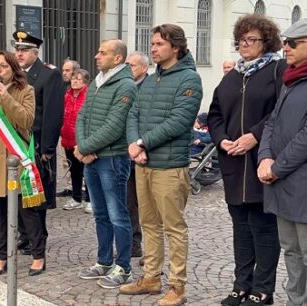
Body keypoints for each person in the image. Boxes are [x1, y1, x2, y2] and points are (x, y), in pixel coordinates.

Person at [120, 24, 203, 306]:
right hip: (144, 164)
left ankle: (177, 287)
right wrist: (135, 146)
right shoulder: (153, 78)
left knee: (173, 228)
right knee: (149, 224)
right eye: (152, 44)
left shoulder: (189, 79)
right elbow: (133, 113)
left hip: (170, 166)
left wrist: (142, 143)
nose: (153, 48)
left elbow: (179, 121)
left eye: (158, 44)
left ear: (175, 48)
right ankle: (151, 277)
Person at [207, 14, 285, 306]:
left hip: (261, 162)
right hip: (233, 165)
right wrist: (220, 139)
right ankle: (241, 285)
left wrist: (254, 135)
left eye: (251, 39)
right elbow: (214, 114)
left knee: (263, 229)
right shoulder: (232, 76)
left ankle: (263, 290)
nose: (244, 44)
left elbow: (280, 112)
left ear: (266, 42)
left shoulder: (277, 70)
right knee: (240, 228)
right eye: (241, 39)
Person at [0, 50, 46, 277]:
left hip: (18, 160)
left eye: (3, 66)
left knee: (27, 212)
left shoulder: (26, 90)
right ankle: (1, 256)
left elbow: (26, 120)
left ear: (13, 68)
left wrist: (6, 96)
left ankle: (38, 256)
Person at [75, 39, 135, 289]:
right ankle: (104, 261)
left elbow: (115, 126)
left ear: (118, 59)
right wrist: (81, 148)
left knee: (117, 215)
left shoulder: (126, 86)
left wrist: (85, 148)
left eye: (102, 52)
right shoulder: (98, 82)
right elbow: (82, 115)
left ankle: (124, 266)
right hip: (92, 159)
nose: (96, 56)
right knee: (100, 214)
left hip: (112, 159)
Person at [257, 19, 307, 306]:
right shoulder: (291, 78)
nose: (284, 47)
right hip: (282, 183)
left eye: (293, 43)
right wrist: (265, 156)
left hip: (300, 184)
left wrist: (276, 167)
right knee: (290, 250)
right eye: (285, 42)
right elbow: (273, 121)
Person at [13, 31, 64, 255]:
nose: (19, 54)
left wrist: (48, 148)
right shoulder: (14, 76)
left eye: (24, 50)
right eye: (17, 50)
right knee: (18, 193)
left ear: (36, 52)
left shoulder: (48, 75)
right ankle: (24, 236)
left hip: (36, 146)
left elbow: (53, 114)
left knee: (36, 194)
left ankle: (39, 236)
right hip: (16, 144)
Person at [125, 51, 149, 259]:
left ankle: (146, 249)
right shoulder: (126, 86)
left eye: (132, 65)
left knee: (147, 206)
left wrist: (140, 146)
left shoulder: (148, 87)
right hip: (125, 154)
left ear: (144, 68)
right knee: (128, 202)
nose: (128, 69)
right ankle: (133, 244)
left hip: (143, 154)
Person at [60, 68, 91, 212]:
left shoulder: (89, 96)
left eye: (79, 79)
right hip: (68, 139)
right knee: (74, 171)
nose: (75, 81)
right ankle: (76, 197)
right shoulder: (67, 95)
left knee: (87, 171)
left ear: (85, 82)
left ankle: (90, 200)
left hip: (82, 140)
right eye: (73, 78)